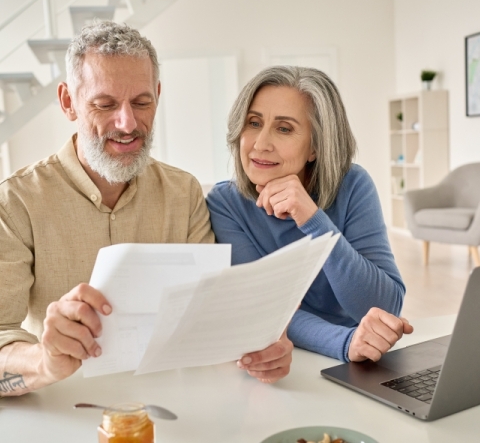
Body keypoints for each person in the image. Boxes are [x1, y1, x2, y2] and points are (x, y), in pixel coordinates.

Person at [0, 22, 291, 397]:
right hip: (65, 410)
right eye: (104, 105)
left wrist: (260, 342)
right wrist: (44, 361)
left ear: (157, 95)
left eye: (141, 102)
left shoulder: (183, 193)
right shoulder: (17, 201)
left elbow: (209, 317)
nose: (127, 123)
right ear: (68, 102)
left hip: (176, 406)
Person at [206, 65, 413, 364]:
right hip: (283, 359)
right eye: (253, 123)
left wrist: (315, 222)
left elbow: (385, 306)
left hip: (357, 360)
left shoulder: (353, 185)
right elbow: (263, 308)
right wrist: (344, 342)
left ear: (315, 146)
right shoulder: (225, 203)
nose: (260, 144)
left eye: (284, 128)